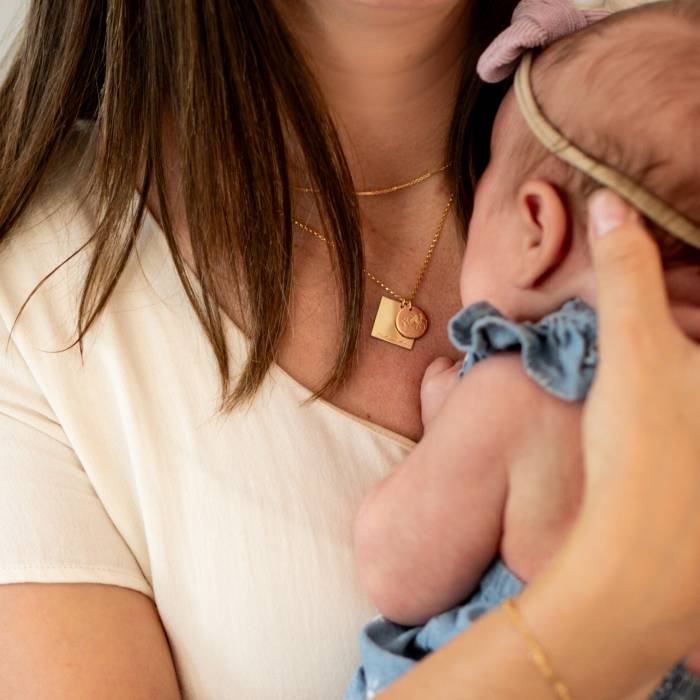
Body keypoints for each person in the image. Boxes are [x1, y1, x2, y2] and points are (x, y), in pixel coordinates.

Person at [0, 2, 699, 700]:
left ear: (536, 225)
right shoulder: (33, 296)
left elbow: (398, 563)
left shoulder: (656, 100)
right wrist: (607, 621)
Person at [344, 2, 700, 698]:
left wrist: (457, 426)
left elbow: (398, 571)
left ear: (537, 225)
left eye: (485, 184)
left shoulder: (525, 391)